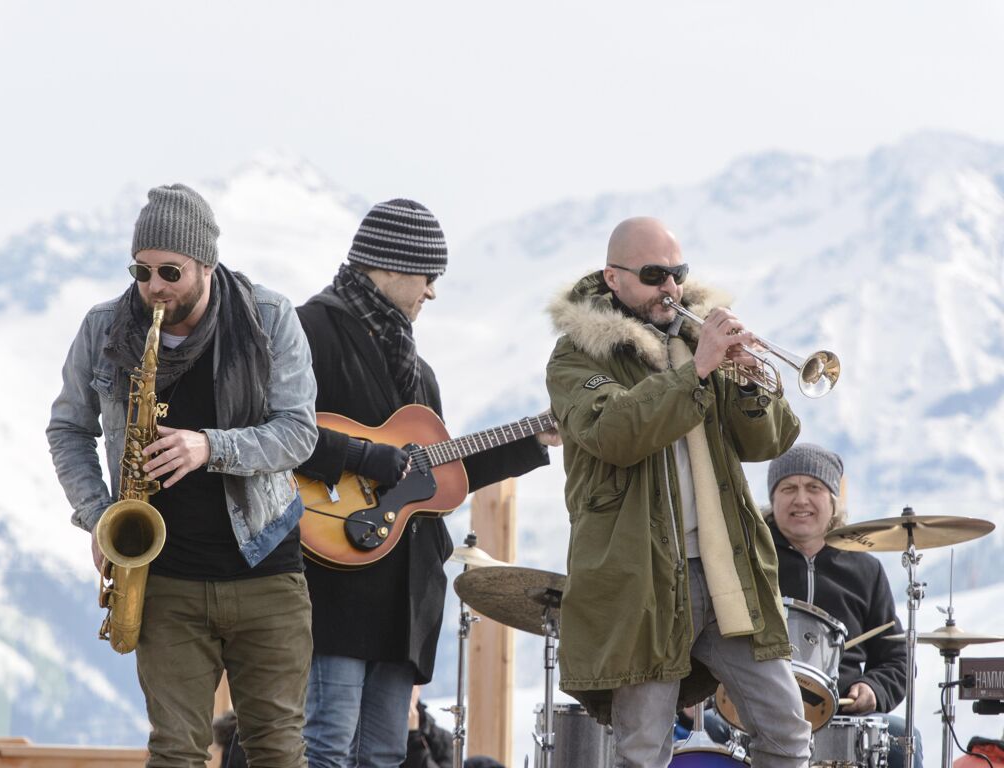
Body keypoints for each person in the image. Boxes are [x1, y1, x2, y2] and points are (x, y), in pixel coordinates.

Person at [46, 184, 318, 767]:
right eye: (141, 271)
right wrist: (100, 519)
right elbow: (67, 430)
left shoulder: (269, 318)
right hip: (164, 576)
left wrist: (208, 447)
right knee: (174, 751)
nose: (153, 288)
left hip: (265, 568)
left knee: (278, 749)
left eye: (170, 270)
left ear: (206, 265)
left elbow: (299, 432)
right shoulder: (104, 329)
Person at [295, 199, 558, 768]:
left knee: (385, 755)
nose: (432, 292)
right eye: (428, 276)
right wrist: (372, 458)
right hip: (334, 583)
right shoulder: (310, 331)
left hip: (403, 594)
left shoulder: (419, 372)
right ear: (389, 266)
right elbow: (283, 438)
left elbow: (439, 477)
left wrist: (535, 440)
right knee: (327, 747)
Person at [544, 216, 811, 768]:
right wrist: (698, 372)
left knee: (788, 732)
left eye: (677, 273)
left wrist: (747, 382)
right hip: (641, 578)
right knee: (643, 750)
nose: (670, 287)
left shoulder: (696, 341)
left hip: (725, 571)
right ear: (613, 279)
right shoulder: (577, 357)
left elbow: (771, 441)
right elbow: (615, 432)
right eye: (653, 274)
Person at [766, 443, 922, 768]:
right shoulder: (750, 559)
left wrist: (873, 688)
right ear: (773, 498)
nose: (801, 499)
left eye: (814, 487)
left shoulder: (864, 570)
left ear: (833, 500)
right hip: (754, 706)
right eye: (788, 488)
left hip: (841, 712)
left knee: (905, 738)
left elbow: (897, 657)